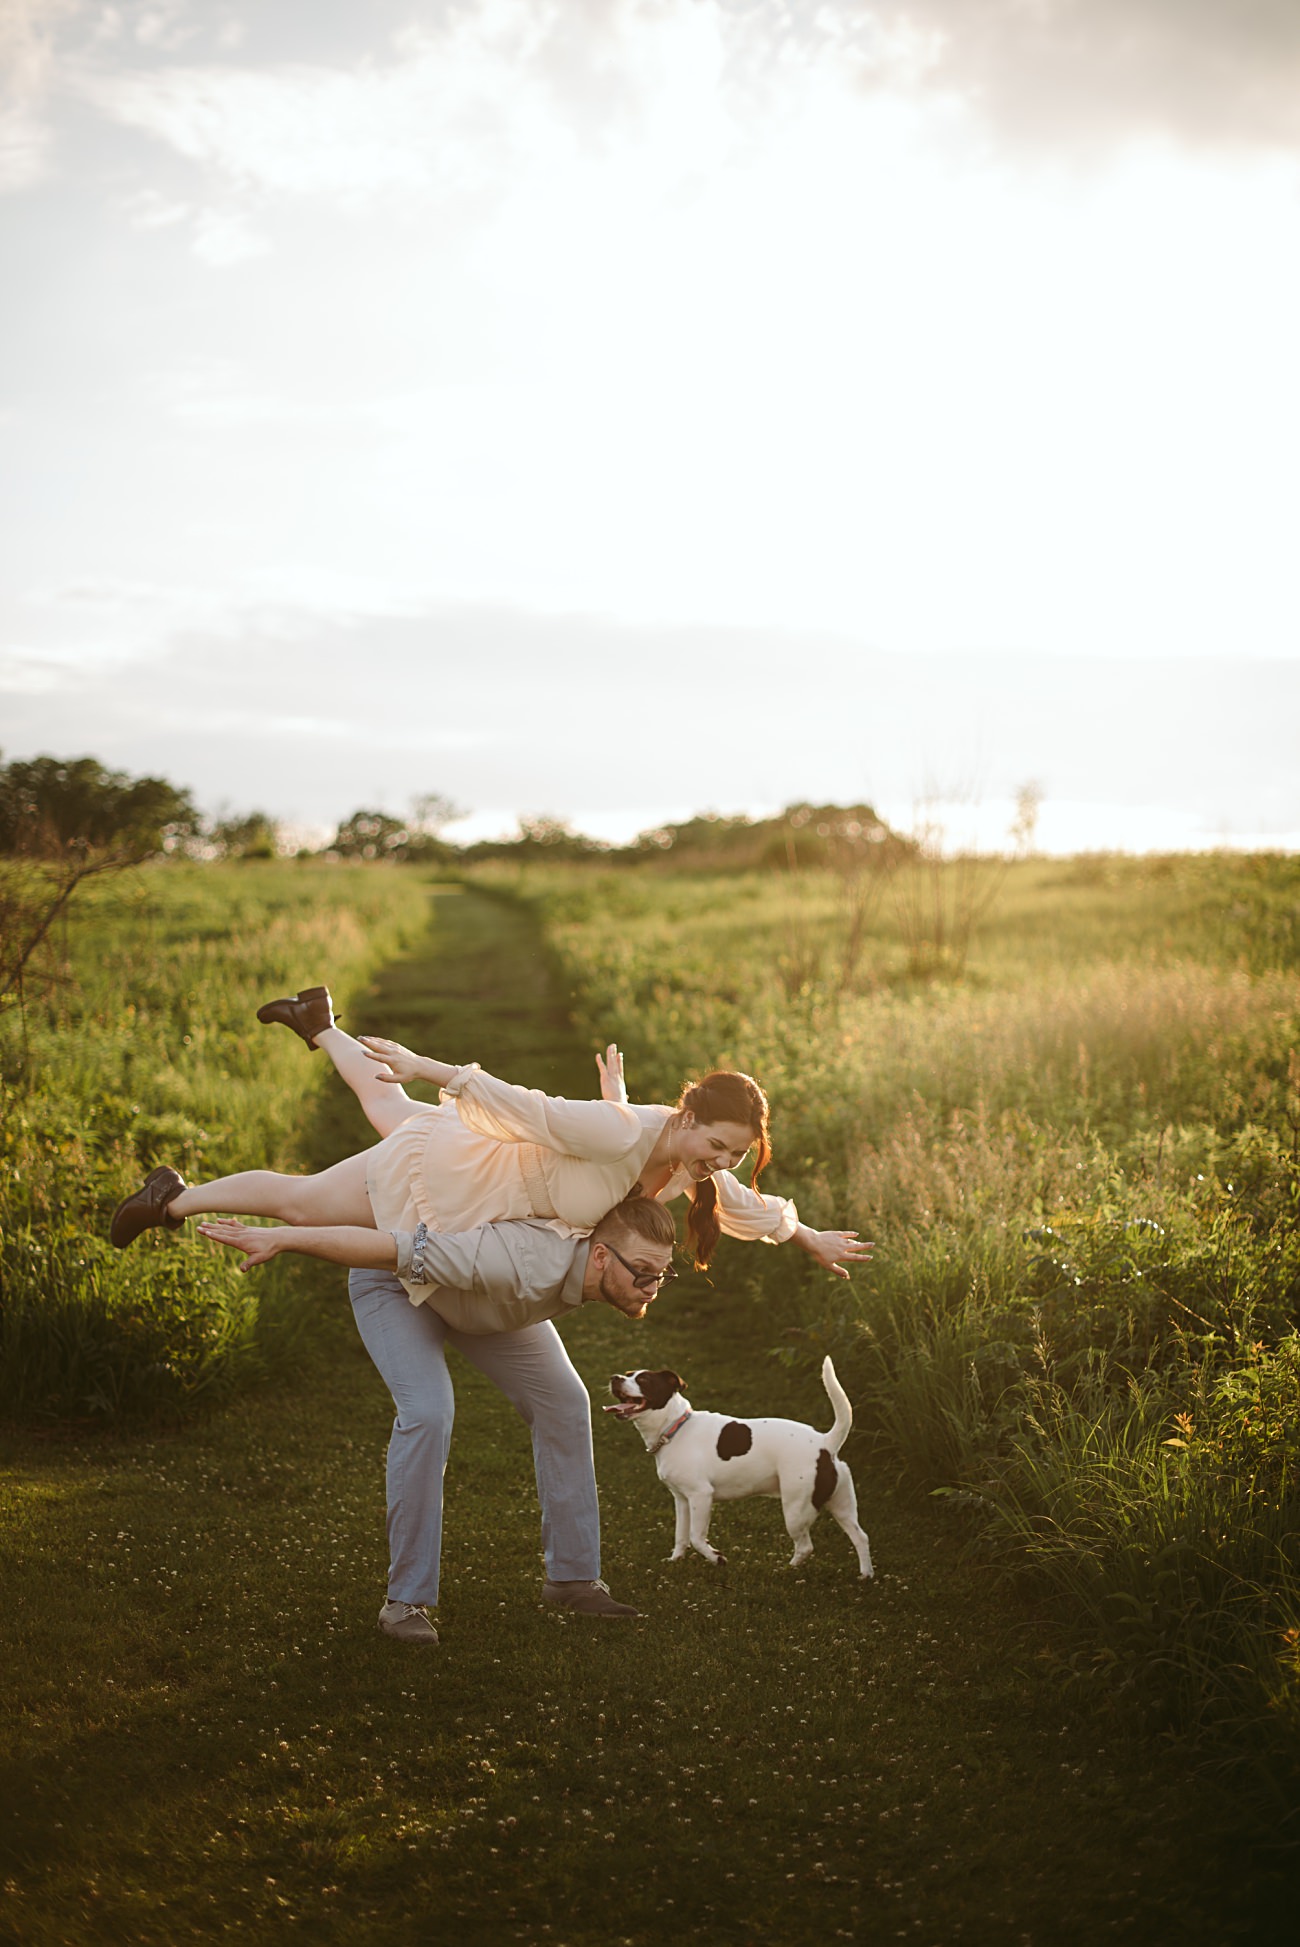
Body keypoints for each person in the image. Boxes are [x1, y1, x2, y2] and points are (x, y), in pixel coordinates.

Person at [110, 986, 871, 1286]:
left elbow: (741, 1203)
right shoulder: (621, 1129)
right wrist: (431, 1065)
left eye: (735, 1152)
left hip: (482, 1166)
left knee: (384, 1108)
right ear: (688, 1116)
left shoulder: (687, 1167)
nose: (724, 1161)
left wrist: (807, 1237)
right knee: (305, 1204)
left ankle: (320, 1023)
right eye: (718, 1144)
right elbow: (528, 1107)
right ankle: (172, 1197)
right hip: (461, 1170)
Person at [201, 1194, 678, 1643]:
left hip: (482, 1298)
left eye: (660, 1273)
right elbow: (399, 1248)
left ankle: (573, 1578)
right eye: (642, 1272)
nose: (652, 1286)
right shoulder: (519, 1260)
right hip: (398, 1281)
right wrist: (284, 1237)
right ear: (601, 1257)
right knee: (428, 1412)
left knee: (565, 1401)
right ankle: (404, 1601)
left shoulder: (566, 1248)